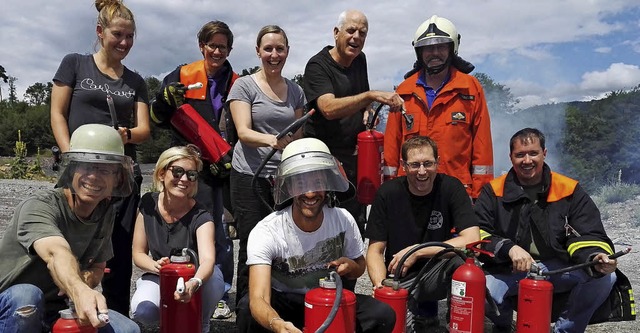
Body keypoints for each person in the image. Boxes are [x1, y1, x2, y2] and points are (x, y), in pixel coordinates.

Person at [49, 0, 150, 316]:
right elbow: (57, 114)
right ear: (99, 31)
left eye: (130, 37)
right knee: (71, 241)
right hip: (80, 171)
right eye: (118, 34)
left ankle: (116, 312)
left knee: (118, 249)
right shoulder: (75, 64)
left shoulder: (135, 81)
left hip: (121, 175)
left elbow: (144, 129)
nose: (124, 43)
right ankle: (61, 307)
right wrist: (70, 158)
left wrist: (126, 135)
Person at [236, 138, 395, 333]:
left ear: (328, 184)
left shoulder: (343, 219)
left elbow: (359, 266)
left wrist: (351, 266)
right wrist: (277, 325)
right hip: (283, 304)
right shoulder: (267, 230)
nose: (310, 193)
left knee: (382, 315)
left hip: (327, 299)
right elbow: (258, 298)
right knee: (246, 311)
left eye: (317, 182)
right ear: (288, 187)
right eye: (300, 183)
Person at [475, 128, 618, 333]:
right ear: (510, 157)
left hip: (557, 268)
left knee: (606, 278)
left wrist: (596, 256)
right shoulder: (493, 191)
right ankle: (504, 326)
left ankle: (565, 330)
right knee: (478, 289)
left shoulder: (568, 189)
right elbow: (477, 233)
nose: (527, 160)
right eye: (520, 155)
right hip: (510, 270)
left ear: (544, 153)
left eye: (533, 153)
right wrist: (508, 248)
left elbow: (589, 231)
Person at [0, 124, 139, 333]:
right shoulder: (39, 206)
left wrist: (83, 281)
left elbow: (99, 267)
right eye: (86, 166)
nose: (93, 176)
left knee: (128, 329)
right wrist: (79, 290)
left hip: (58, 308)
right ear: (71, 169)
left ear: (117, 178)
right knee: (26, 297)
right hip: (10, 305)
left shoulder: (105, 212)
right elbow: (56, 254)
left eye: (104, 169)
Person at [149, 20, 236, 319]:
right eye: (212, 45)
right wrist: (163, 99)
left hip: (221, 169)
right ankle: (171, 280)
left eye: (222, 46)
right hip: (187, 168)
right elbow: (158, 118)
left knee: (219, 233)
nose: (217, 51)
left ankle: (220, 292)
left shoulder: (236, 81)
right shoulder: (182, 75)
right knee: (181, 226)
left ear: (229, 49)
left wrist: (232, 157)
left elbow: (240, 126)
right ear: (202, 46)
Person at [303, 9, 404, 232]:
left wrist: (367, 109)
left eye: (362, 33)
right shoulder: (317, 66)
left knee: (353, 224)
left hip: (353, 159)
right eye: (351, 30)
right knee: (325, 224)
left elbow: (361, 92)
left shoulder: (360, 59)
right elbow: (327, 108)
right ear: (336, 33)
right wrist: (370, 97)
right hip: (323, 162)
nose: (356, 37)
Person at [366, 136, 479, 332]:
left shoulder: (451, 188)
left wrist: (417, 251)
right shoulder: (387, 193)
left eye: (428, 163)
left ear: (438, 162)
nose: (422, 171)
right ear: (403, 165)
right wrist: (381, 286)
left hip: (438, 272)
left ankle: (458, 325)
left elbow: (472, 239)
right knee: (397, 326)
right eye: (414, 165)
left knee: (464, 265)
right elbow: (375, 251)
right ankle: (421, 315)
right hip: (400, 279)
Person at [227, 24, 306, 306]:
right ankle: (247, 309)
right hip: (250, 177)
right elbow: (244, 133)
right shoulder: (244, 85)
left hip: (283, 180)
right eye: (268, 49)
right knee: (253, 243)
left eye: (280, 49)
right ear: (258, 51)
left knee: (284, 243)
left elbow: (297, 135)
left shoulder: (296, 91)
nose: (274, 54)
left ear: (287, 51)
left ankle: (276, 304)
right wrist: (273, 140)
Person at [383, 15, 493, 200]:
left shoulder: (470, 88)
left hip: (457, 193)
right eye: (428, 48)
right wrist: (390, 193)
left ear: (452, 49)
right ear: (419, 52)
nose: (434, 53)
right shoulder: (404, 91)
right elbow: (392, 148)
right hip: (410, 193)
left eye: (441, 46)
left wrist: (481, 198)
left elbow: (482, 149)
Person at [130, 145, 225, 332]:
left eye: (191, 175)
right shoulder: (148, 204)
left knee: (214, 282)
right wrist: (156, 266)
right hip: (160, 274)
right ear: (161, 174)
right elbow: (138, 253)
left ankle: (201, 323)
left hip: (193, 276)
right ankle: (168, 320)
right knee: (143, 311)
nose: (184, 179)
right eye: (178, 172)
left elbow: (207, 260)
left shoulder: (202, 215)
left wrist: (194, 282)